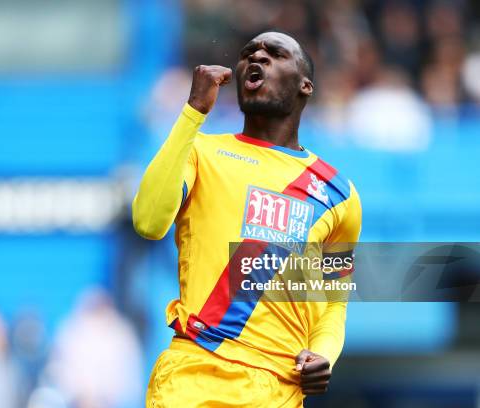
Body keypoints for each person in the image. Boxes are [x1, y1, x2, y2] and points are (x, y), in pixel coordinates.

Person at [133, 30, 362, 407]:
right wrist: (193, 112)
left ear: (305, 85)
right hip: (197, 375)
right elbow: (147, 221)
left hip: (279, 389)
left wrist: (324, 353)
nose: (257, 57)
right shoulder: (201, 152)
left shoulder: (339, 195)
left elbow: (334, 301)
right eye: (248, 53)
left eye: (275, 54)